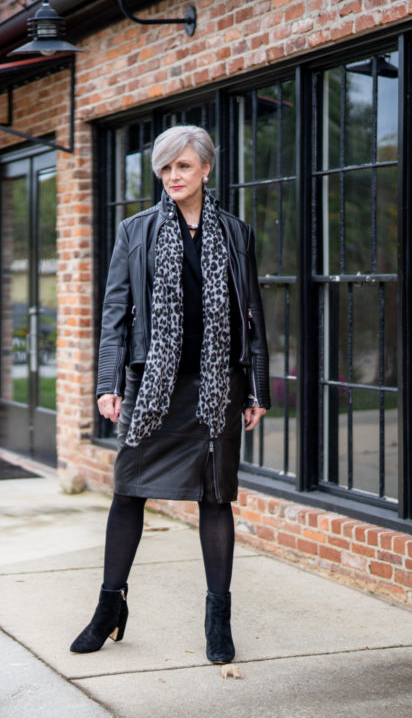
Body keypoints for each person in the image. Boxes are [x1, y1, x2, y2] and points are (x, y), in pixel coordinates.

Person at [71, 125, 271, 664]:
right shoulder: (135, 230)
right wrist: (108, 384)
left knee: (215, 496)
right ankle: (109, 608)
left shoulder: (235, 233)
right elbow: (115, 314)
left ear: (206, 168)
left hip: (216, 386)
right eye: (165, 168)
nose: (173, 177)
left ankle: (218, 619)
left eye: (183, 166)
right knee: (128, 489)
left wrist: (256, 387)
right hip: (151, 384)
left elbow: (250, 315)